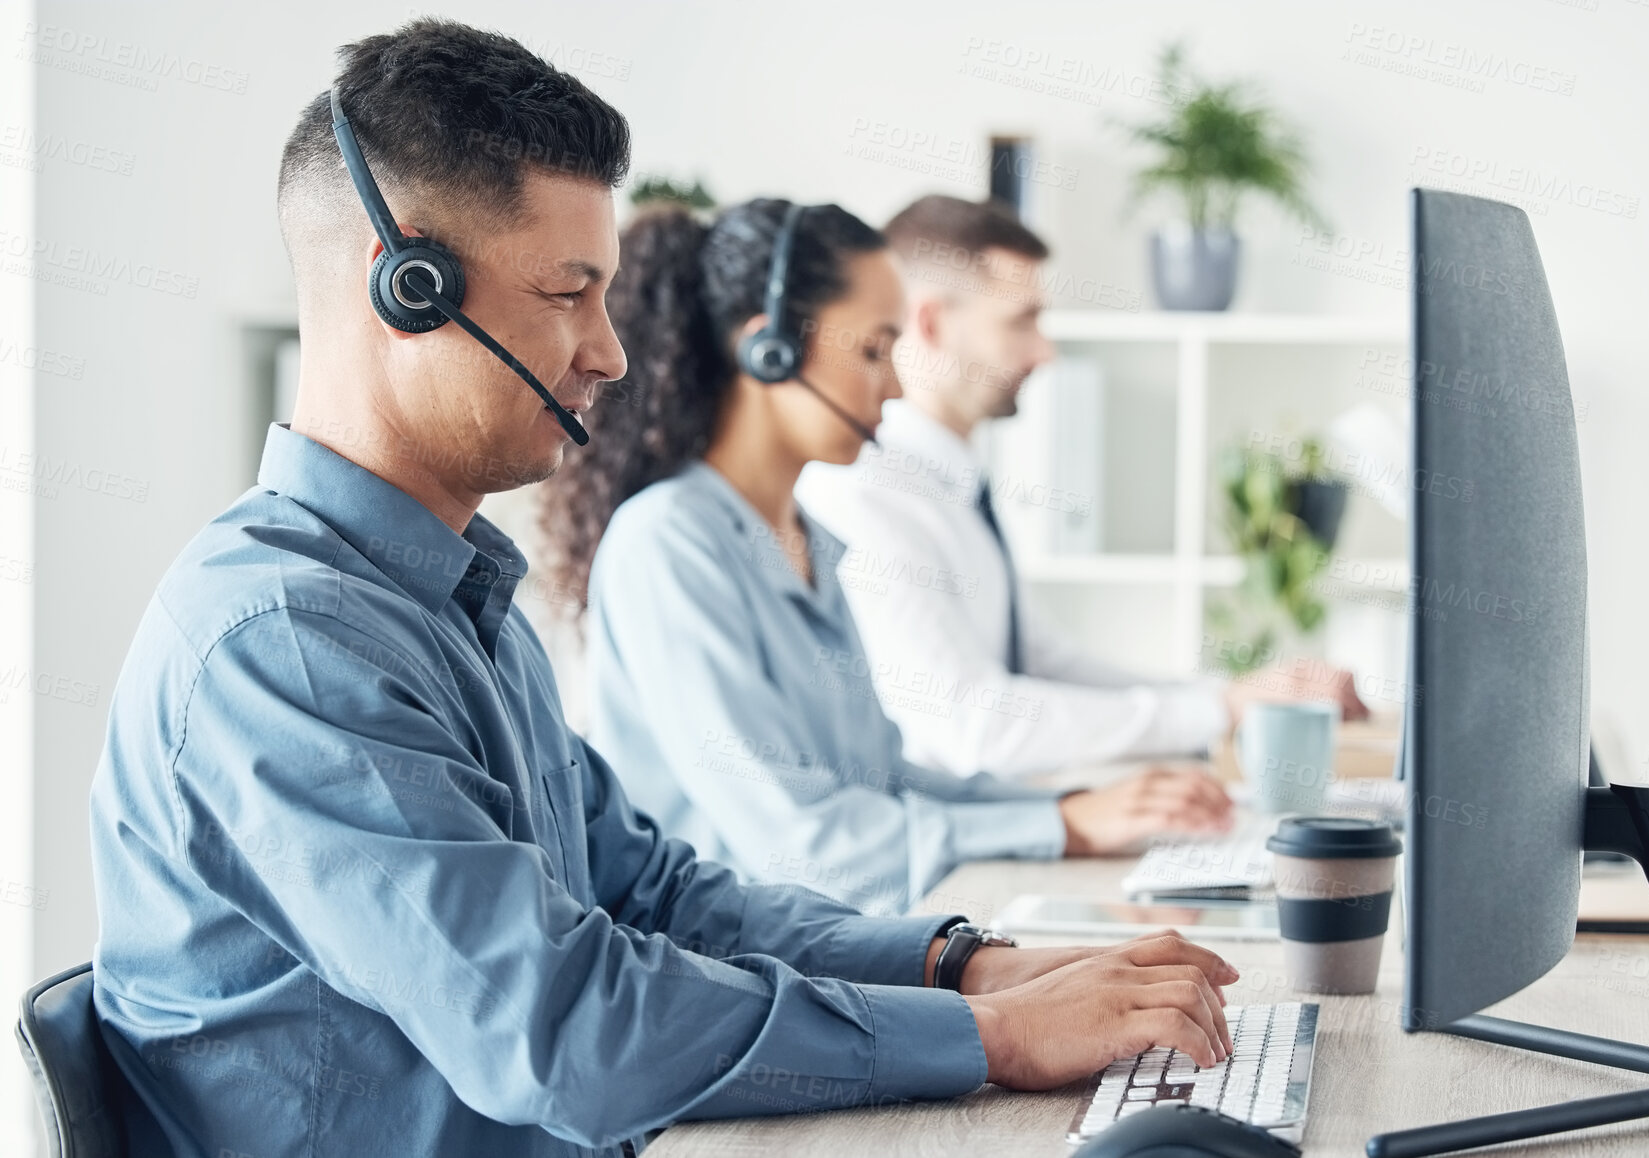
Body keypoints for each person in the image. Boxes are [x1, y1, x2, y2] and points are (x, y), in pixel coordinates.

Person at [88, 21, 1239, 1158]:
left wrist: (965, 962)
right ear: (408, 286)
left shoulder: (455, 600)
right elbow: (566, 1029)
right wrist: (985, 1034)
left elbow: (659, 895)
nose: (611, 352)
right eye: (566, 292)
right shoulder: (286, 642)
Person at [540, 196, 1235, 919]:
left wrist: (1075, 808)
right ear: (768, 350)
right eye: (874, 351)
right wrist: (1058, 825)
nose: (898, 385)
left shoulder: (808, 536)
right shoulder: (670, 544)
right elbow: (806, 846)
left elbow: (878, 780)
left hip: (821, 948)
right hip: (730, 977)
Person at [796, 195, 1367, 781]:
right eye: (1022, 320)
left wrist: (1238, 695)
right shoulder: (864, 495)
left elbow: (1045, 663)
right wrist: (1214, 709)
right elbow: (970, 726)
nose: (1046, 353)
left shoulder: (951, 485)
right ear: (933, 322)